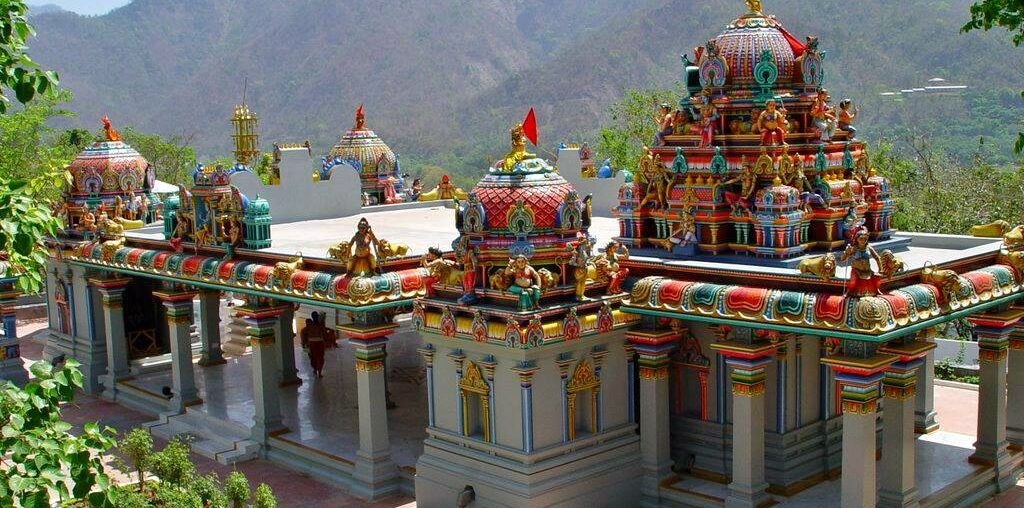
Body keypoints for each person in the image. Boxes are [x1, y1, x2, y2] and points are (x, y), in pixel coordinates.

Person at [302, 314, 326, 378]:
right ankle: (319, 373)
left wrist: (304, 343)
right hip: (320, 342)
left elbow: (304, 333)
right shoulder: (321, 325)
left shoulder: (310, 325)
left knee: (313, 357)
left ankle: (315, 369)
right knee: (320, 357)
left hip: (312, 343)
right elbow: (324, 333)